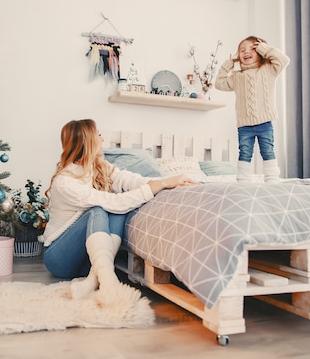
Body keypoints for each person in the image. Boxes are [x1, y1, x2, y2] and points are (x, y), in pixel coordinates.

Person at [42, 119, 196, 306]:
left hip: (87, 260)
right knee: (100, 209)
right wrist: (160, 185)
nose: (103, 139)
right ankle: (108, 280)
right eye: (98, 135)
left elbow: (130, 180)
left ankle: (93, 280)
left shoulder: (100, 167)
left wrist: (167, 181)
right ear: (88, 140)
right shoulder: (65, 182)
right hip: (60, 258)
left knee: (119, 210)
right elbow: (112, 202)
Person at [214, 36, 290, 182]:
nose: (246, 52)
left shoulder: (269, 70)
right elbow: (219, 83)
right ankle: (243, 180)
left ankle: (273, 179)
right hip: (244, 125)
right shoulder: (237, 77)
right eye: (242, 50)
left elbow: (284, 60)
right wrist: (227, 66)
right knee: (245, 152)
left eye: (252, 49)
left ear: (260, 52)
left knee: (267, 151)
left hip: (265, 122)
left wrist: (265, 49)